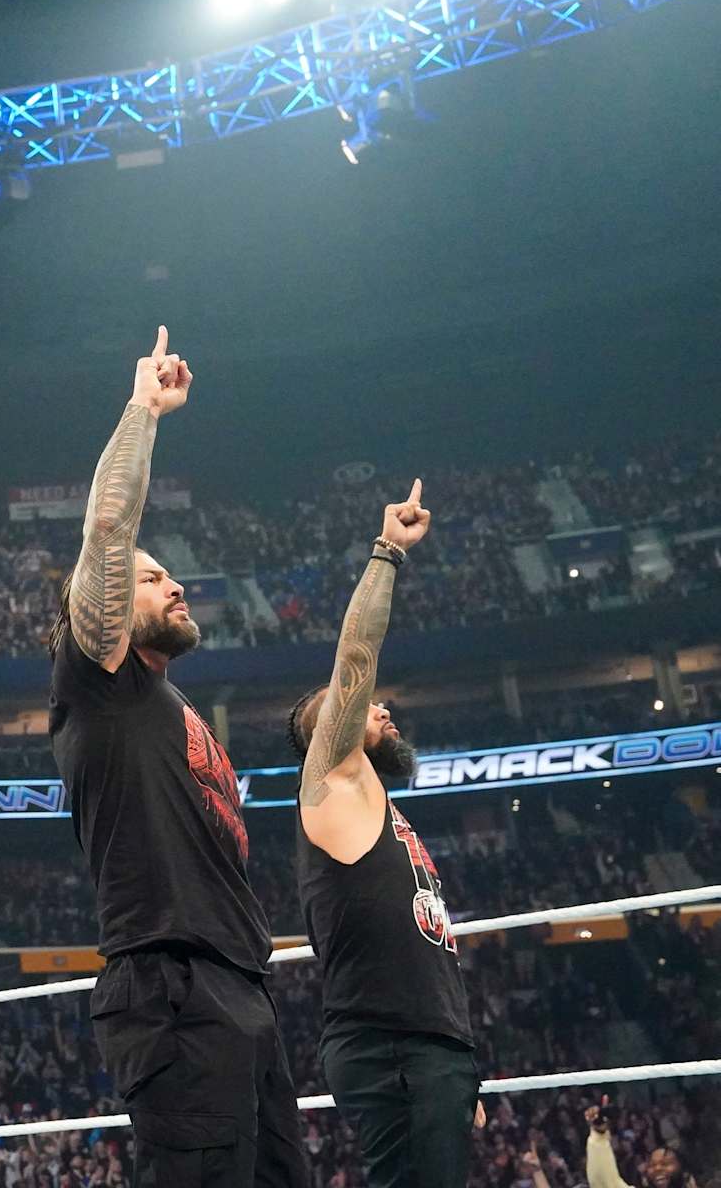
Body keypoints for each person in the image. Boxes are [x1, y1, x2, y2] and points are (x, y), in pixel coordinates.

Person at [47, 326, 304, 1188]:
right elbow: (109, 531)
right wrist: (144, 410)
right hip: (173, 985)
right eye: (156, 579)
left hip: (241, 986)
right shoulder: (99, 682)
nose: (176, 585)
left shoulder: (173, 704)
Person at [285, 481, 483, 1188]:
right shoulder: (332, 780)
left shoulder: (383, 810)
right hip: (393, 1049)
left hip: (425, 1048)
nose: (383, 709)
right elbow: (355, 663)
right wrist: (389, 552)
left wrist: (459, 1057)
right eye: (364, 710)